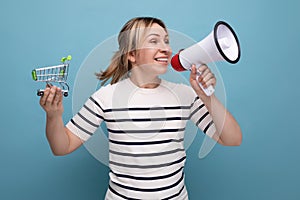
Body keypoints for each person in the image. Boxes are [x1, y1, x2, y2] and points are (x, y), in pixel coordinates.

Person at [39, 17, 242, 200]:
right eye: (154, 41)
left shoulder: (186, 95)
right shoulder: (105, 97)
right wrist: (53, 116)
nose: (166, 48)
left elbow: (232, 139)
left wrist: (208, 97)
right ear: (132, 55)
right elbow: (61, 147)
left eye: (166, 41)